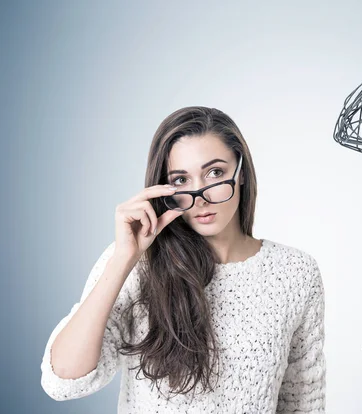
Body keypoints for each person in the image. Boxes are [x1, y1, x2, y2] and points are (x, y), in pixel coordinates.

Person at [40, 106, 326, 413]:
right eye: (180, 180)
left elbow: (303, 402)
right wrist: (124, 258)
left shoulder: (297, 272)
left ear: (240, 173)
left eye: (214, 173)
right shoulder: (140, 263)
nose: (199, 197)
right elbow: (63, 381)